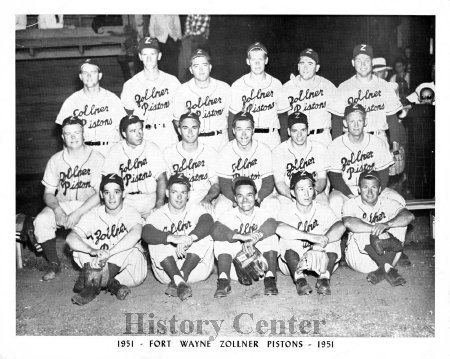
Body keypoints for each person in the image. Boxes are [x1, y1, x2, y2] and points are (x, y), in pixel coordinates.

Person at [33, 116, 104, 281]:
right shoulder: (55, 160)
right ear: (62, 137)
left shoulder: (97, 158)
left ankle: (92, 267)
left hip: (89, 206)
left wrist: (78, 213)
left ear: (83, 134)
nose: (73, 137)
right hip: (63, 204)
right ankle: (54, 263)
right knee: (42, 220)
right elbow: (48, 193)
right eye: (68, 133)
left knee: (95, 228)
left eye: (77, 132)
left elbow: (101, 193)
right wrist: (57, 210)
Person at [66, 173, 147, 305]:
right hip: (100, 268)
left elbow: (136, 234)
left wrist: (108, 253)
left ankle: (90, 285)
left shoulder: (130, 212)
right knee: (80, 246)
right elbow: (70, 238)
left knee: (128, 246)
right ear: (101, 195)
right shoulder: (93, 214)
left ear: (123, 194)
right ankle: (109, 284)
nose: (111, 197)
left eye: (116, 192)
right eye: (107, 192)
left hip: (131, 272)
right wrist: (91, 250)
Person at [142, 173, 215, 301]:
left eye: (183, 192)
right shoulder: (158, 214)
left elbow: (208, 221)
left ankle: (179, 278)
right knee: (156, 241)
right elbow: (146, 232)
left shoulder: (195, 209)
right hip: (167, 272)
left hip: (196, 269)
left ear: (188, 195)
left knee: (205, 236)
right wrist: (173, 238)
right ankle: (179, 280)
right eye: (175, 192)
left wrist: (189, 238)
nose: (179, 196)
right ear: (166, 193)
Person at [328, 103, 405, 219]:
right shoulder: (335, 145)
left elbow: (383, 174)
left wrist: (374, 193)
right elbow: (334, 176)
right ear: (345, 123)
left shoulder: (377, 142)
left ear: (365, 121)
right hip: (346, 190)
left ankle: (390, 234)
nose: (356, 125)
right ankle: (344, 235)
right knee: (335, 202)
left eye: (359, 120)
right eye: (352, 121)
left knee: (398, 200)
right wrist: (351, 196)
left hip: (372, 189)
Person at [276, 171, 345, 295]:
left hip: (319, 260)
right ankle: (300, 280)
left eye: (310, 188)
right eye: (301, 189)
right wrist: (310, 237)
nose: (306, 193)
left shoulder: (322, 208)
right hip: (293, 261)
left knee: (333, 240)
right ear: (293, 192)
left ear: (314, 191)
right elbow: (279, 228)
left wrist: (320, 243)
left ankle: (324, 279)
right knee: (287, 239)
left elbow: (340, 226)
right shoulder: (287, 209)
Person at [342, 170, 415, 286]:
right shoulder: (351, 204)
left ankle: (384, 268)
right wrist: (375, 229)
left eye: (374, 187)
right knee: (360, 228)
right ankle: (389, 268)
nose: (370, 192)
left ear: (380, 189)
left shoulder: (388, 202)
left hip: (387, 255)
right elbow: (348, 223)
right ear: (359, 189)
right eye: (365, 187)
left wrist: (386, 225)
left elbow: (409, 216)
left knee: (400, 224)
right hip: (361, 260)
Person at [211, 177, 279, 298]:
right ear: (235, 199)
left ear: (255, 196)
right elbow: (214, 229)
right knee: (221, 241)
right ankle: (223, 280)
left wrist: (254, 238)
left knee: (271, 237)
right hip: (234, 268)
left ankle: (270, 278)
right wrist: (240, 236)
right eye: (240, 196)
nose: (245, 200)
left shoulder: (261, 213)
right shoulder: (229, 214)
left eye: (249, 195)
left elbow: (273, 223)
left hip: (260, 266)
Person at [333, 44, 403, 157]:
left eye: (366, 60)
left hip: (378, 139)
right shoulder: (343, 87)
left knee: (381, 175)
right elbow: (337, 121)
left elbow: (392, 120)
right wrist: (336, 148)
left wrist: (395, 148)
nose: (363, 64)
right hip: (351, 143)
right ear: (352, 63)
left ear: (372, 62)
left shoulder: (385, 86)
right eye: (358, 60)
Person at [56, 59, 126, 156]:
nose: (89, 76)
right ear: (80, 76)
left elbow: (123, 131)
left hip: (109, 152)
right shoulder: (71, 101)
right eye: (85, 73)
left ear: (100, 75)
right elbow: (65, 136)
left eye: (93, 72)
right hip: (84, 153)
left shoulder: (113, 99)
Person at [121, 37, 181, 151]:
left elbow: (180, 114)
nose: (148, 59)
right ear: (140, 57)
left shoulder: (172, 81)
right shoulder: (131, 84)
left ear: (159, 56)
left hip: (167, 133)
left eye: (152, 54)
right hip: (144, 134)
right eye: (145, 54)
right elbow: (127, 117)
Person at [102, 115, 167, 219]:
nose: (139, 134)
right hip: (125, 203)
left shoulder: (151, 148)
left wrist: (159, 205)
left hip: (149, 202)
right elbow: (107, 182)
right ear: (124, 134)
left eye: (140, 129)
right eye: (133, 131)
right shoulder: (115, 150)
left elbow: (162, 178)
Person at [228, 42, 290, 150]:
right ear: (248, 61)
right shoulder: (238, 85)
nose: (257, 63)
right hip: (247, 137)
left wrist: (284, 142)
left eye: (260, 59)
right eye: (253, 60)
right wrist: (232, 143)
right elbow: (232, 118)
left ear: (266, 61)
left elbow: (283, 118)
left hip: (271, 137)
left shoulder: (276, 84)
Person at [215, 111, 275, 217]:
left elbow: (268, 182)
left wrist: (258, 198)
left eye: (247, 129)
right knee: (221, 206)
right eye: (239, 129)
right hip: (234, 196)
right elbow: (224, 184)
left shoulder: (264, 149)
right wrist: (237, 200)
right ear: (233, 130)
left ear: (253, 130)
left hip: (259, 195)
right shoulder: (226, 151)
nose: (243, 134)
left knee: (273, 204)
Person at [173, 49, 231, 151]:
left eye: (204, 65)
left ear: (210, 67)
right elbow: (178, 120)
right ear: (191, 70)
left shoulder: (224, 88)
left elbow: (229, 117)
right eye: (196, 66)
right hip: (196, 141)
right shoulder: (181, 91)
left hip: (220, 141)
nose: (201, 70)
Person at [282, 48, 340, 147]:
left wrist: (337, 144)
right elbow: (282, 119)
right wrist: (284, 143)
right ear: (298, 66)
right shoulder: (287, 88)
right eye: (302, 63)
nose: (305, 67)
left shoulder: (327, 86)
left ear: (317, 68)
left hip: (321, 138)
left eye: (310, 64)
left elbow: (338, 118)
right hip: (296, 139)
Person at [272, 112, 330, 211]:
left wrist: (312, 194)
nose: (299, 135)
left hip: (314, 193)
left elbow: (322, 179)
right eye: (295, 131)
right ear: (289, 132)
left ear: (308, 130)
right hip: (288, 194)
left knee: (325, 208)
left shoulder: (319, 148)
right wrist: (295, 197)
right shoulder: (279, 151)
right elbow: (280, 182)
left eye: (303, 130)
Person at [163, 111, 220, 211]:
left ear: (199, 129)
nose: (190, 132)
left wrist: (207, 199)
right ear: (179, 130)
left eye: (194, 128)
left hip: (203, 200)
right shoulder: (168, 153)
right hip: (179, 202)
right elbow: (165, 186)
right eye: (185, 128)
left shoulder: (210, 152)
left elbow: (216, 184)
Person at [178, 15, 211, 83]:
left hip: (201, 38)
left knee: (185, 45)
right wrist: (189, 35)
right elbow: (187, 28)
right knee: (184, 51)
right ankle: (185, 68)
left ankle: (184, 72)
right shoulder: (191, 14)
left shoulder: (206, 15)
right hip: (190, 38)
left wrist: (189, 34)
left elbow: (201, 31)